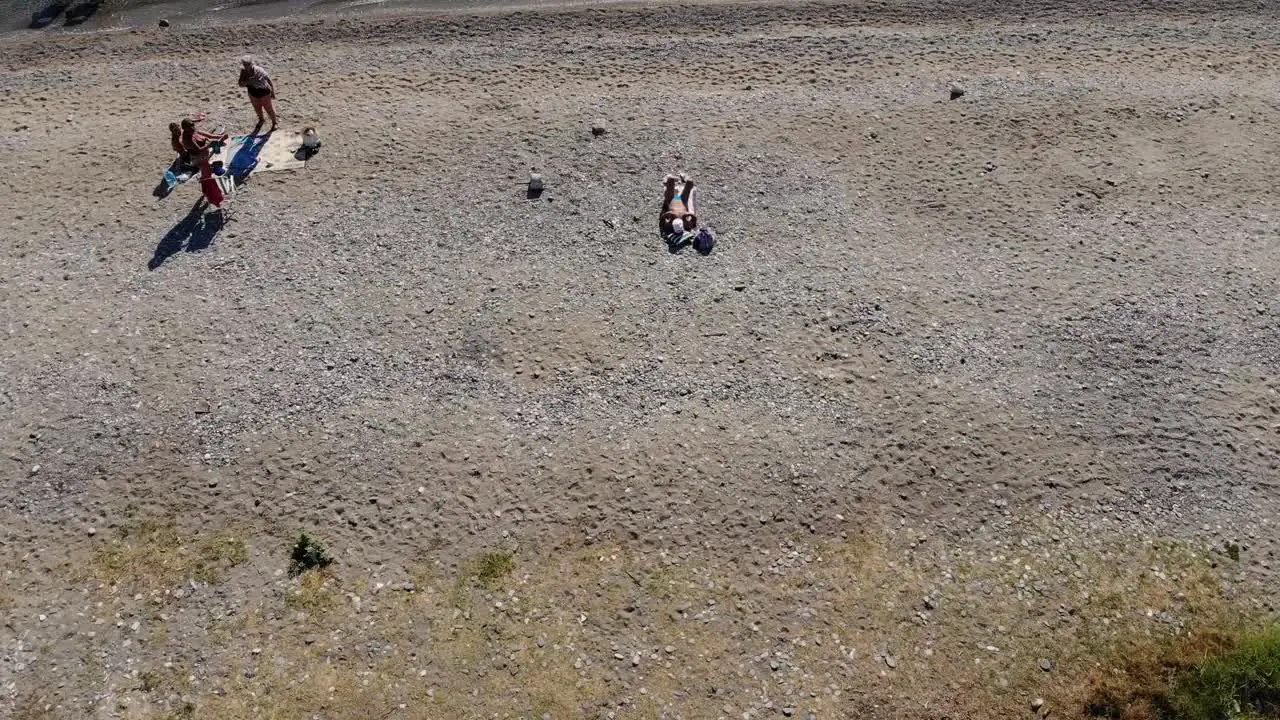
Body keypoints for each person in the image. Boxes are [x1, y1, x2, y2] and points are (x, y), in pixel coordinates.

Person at [237, 55, 278, 130]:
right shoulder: (243, 72)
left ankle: (274, 122)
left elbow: (268, 80)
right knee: (257, 109)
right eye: (245, 65)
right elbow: (240, 84)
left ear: (251, 63)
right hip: (253, 93)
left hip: (264, 92)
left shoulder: (259, 70)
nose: (247, 67)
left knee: (269, 108)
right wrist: (246, 82)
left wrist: (272, 92)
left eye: (248, 64)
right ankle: (261, 120)